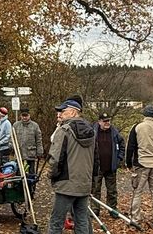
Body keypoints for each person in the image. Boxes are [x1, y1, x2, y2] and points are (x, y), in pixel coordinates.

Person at [47, 98, 95, 234]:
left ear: (73, 112)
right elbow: (96, 159)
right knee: (82, 221)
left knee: (56, 222)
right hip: (84, 183)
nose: (60, 114)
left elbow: (55, 159)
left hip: (66, 184)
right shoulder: (91, 131)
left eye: (63, 111)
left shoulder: (63, 131)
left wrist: (51, 175)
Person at [126, 105, 153, 229]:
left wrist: (128, 163)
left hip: (141, 164)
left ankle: (135, 220)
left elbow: (131, 147)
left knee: (137, 193)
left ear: (144, 114)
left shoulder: (137, 127)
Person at [92, 113, 125, 217]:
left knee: (112, 191)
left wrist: (119, 158)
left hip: (111, 166)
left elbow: (122, 145)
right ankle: (95, 210)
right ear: (99, 122)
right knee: (95, 190)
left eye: (108, 121)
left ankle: (112, 210)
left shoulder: (115, 133)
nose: (107, 123)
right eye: (105, 121)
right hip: (97, 167)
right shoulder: (93, 132)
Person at [12, 108, 43, 174]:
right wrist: (12, 147)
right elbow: (12, 138)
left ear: (29, 115)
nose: (24, 117)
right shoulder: (15, 125)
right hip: (19, 153)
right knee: (18, 172)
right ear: (20, 116)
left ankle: (31, 184)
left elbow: (39, 140)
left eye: (26, 116)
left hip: (30, 153)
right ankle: (19, 184)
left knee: (31, 172)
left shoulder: (35, 126)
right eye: (23, 116)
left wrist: (39, 152)